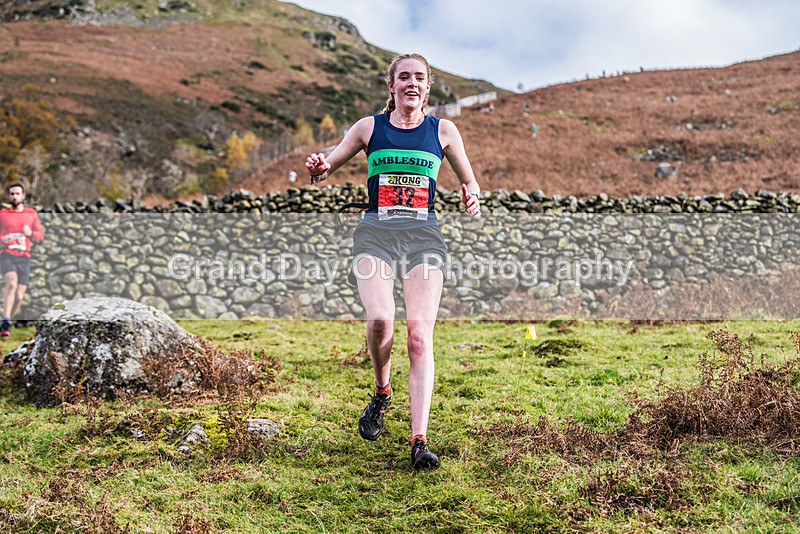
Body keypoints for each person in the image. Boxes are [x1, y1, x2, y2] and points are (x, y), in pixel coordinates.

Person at [306, 53, 481, 470]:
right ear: (392, 85)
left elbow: (470, 180)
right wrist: (319, 167)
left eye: (419, 77)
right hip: (376, 237)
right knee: (382, 321)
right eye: (404, 77)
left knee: (419, 336)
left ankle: (419, 439)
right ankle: (382, 393)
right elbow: (328, 165)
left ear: (428, 85)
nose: (412, 83)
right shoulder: (370, 127)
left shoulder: (445, 131)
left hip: (424, 238)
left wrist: (470, 193)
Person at [0, 183, 44, 336]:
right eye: (12, 194)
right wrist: (2, 239)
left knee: (19, 296)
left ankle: (6, 324)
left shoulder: (31, 213)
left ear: (23, 196)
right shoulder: (3, 214)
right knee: (11, 283)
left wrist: (30, 232)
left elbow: (40, 235)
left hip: (24, 257)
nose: (15, 196)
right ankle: (5, 320)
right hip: (6, 254)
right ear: (8, 196)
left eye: (18, 194)